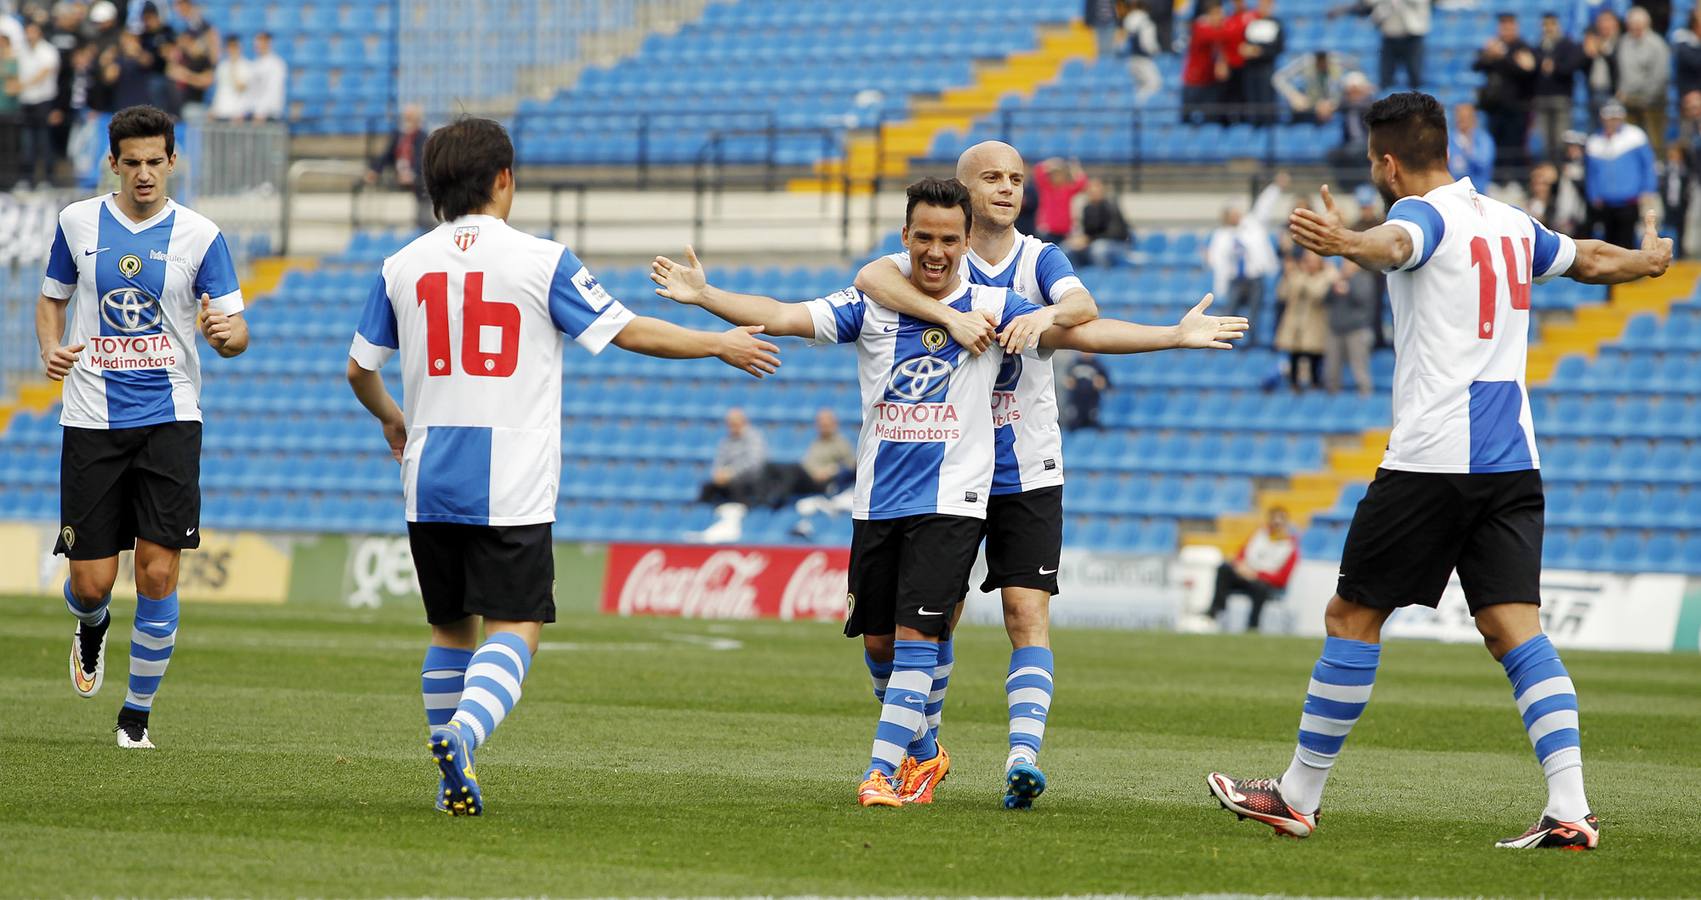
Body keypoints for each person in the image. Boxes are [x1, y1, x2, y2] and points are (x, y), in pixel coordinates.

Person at [654, 176, 1246, 809]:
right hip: (877, 498)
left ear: (966, 242)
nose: (935, 253)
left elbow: (1084, 334)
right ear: (905, 238)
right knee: (878, 644)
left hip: (953, 502)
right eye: (924, 239)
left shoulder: (993, 306)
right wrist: (705, 294)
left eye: (948, 241)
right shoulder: (872, 302)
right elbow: (780, 315)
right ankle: (926, 751)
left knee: (916, 637)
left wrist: (1172, 334)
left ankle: (881, 775)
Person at [1207, 90, 1672, 850]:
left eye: (1371, 162)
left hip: (1432, 457)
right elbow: (1585, 258)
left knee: (1352, 618)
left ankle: (1296, 795)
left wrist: (1343, 241)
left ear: (1389, 163)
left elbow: (1394, 245)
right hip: (1512, 458)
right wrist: (1648, 262)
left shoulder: (1421, 217)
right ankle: (1569, 807)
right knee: (1513, 628)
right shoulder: (1507, 220)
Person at [345, 116, 779, 816]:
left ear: (433, 187)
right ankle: (462, 735)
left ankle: (447, 773)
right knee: (516, 627)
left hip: (428, 475)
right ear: (503, 180)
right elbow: (629, 330)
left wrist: (393, 417)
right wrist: (717, 343)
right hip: (511, 476)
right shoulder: (542, 260)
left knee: (449, 629)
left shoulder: (400, 265)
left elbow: (359, 371)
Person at [848, 145, 1247, 809]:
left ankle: (1021, 758)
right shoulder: (937, 254)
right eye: (991, 179)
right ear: (961, 189)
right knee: (920, 625)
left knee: (1025, 612)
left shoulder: (1038, 258)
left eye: (1014, 180)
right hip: (948, 468)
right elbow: (869, 278)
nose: (1006, 189)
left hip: (1026, 464)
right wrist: (949, 315)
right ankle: (925, 749)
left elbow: (1083, 312)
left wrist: (1080, 320)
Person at [39, 105, 250, 750]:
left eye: (155, 162)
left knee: (158, 573)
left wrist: (225, 334)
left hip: (171, 420)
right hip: (91, 418)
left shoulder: (201, 236)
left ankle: (136, 715)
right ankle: (92, 623)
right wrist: (50, 347)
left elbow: (237, 332)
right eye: (131, 163)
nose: (144, 174)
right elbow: (54, 297)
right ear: (113, 163)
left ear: (172, 161)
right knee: (91, 581)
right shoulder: (76, 224)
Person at [1205, 507, 1299, 631]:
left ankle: (1253, 624)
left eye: (1280, 521)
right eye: (1274, 520)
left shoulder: (1290, 548)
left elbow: (1281, 580)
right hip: (1246, 577)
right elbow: (1239, 557)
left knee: (1261, 587)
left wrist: (1257, 574)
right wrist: (1240, 567)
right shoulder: (1258, 536)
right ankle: (1216, 611)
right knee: (1224, 568)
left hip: (1265, 583)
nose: (1276, 525)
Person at [1473, 13, 1537, 182]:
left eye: (1509, 26)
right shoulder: (1493, 46)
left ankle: (1516, 181)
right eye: (1503, 26)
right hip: (1495, 108)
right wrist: (1489, 54)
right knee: (1496, 146)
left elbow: (1527, 70)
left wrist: (1504, 55)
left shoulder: (1522, 47)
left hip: (1518, 108)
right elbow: (1477, 66)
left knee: (1515, 147)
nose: (1506, 30)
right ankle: (1498, 180)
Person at [1585, 101, 1656, 248]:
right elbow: (1591, 173)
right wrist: (1593, 195)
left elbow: (1648, 165)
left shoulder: (1635, 136)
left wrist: (1648, 189)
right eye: (1609, 118)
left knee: (1628, 242)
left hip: (1630, 200)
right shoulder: (1594, 141)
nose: (1612, 122)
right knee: (1609, 244)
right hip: (1605, 202)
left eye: (1615, 118)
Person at [1206, 202, 1280, 333]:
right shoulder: (1221, 234)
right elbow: (1217, 258)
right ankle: (1229, 340)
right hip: (1235, 278)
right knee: (1230, 312)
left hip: (1254, 277)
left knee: (1254, 312)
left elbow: (1260, 249)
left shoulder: (1251, 229)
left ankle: (1252, 342)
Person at [366, 103, 432, 231]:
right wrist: (375, 170)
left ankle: (423, 228)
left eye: (410, 118)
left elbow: (421, 159)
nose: (407, 121)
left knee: (424, 213)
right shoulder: (398, 135)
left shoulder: (422, 137)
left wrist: (412, 174)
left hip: (418, 181)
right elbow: (387, 155)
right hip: (398, 177)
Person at [1614, 6, 1668, 158]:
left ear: (1647, 24)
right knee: (1630, 140)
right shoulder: (1624, 42)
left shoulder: (1657, 44)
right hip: (1628, 100)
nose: (1635, 28)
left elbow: (1659, 76)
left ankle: (1658, 169)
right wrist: (1622, 91)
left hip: (1652, 101)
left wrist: (1645, 96)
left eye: (1639, 24)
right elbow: (1622, 71)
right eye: (1632, 24)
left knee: (1654, 140)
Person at [1274, 250, 1331, 389]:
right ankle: (1294, 384)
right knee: (1294, 354)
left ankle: (1315, 383)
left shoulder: (1325, 276)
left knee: (1314, 355)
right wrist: (1288, 276)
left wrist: (1304, 278)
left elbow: (1318, 294)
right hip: (1295, 322)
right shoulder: (1295, 276)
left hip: (1314, 323)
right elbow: (1282, 294)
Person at [1533, 12, 1583, 163]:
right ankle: (1548, 173)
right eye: (1545, 25)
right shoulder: (1538, 47)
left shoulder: (1567, 45)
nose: (1548, 28)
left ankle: (1560, 174)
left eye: (1551, 24)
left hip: (1561, 98)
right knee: (1544, 142)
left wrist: (1555, 67)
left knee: (1560, 140)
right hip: (1541, 99)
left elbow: (1572, 66)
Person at [1324, 259, 1378, 395]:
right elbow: (1325, 300)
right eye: (1343, 263)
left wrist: (1348, 288)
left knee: (1359, 367)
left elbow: (1363, 299)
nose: (1345, 266)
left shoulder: (1364, 278)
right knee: (1332, 368)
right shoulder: (1338, 279)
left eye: (1348, 263)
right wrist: (1334, 285)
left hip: (1356, 330)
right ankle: (1332, 395)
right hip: (1336, 328)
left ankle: (1365, 394)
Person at [17, 19, 59, 188]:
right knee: (28, 143)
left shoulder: (47, 51)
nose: (29, 35)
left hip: (44, 101)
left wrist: (22, 85)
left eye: (32, 32)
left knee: (44, 141)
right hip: (26, 101)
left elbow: (45, 72)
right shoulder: (22, 51)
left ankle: (48, 179)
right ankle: (27, 178)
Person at [696, 406, 767, 506]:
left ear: (743, 421)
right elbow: (719, 460)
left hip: (749, 478)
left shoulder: (754, 438)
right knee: (707, 487)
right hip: (728, 478)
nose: (732, 426)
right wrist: (718, 473)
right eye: (730, 423)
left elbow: (754, 462)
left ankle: (741, 513)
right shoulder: (726, 441)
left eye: (734, 423)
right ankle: (704, 515)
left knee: (736, 486)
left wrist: (731, 472)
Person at [1239, 0, 1284, 124]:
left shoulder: (1276, 24)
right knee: (1253, 101)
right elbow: (1243, 42)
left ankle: (1267, 126)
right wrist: (1247, 50)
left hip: (1266, 68)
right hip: (1251, 69)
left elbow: (1279, 47)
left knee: (1266, 100)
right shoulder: (1251, 22)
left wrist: (1261, 51)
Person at [1071, 178, 1132, 268]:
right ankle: (1077, 277)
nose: (1093, 194)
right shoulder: (1087, 209)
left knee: (1098, 249)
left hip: (1118, 243)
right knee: (1068, 248)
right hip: (1095, 242)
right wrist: (1079, 240)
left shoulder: (1111, 207)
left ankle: (1102, 278)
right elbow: (1087, 231)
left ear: (1102, 192)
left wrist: (1089, 239)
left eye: (1096, 191)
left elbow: (1116, 233)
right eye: (1091, 192)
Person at [1032, 156, 1087, 244]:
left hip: (1064, 231)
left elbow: (1082, 183)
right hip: (1049, 230)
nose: (1057, 177)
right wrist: (1051, 163)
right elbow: (1038, 171)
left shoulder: (1067, 190)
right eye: (1054, 175)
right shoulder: (1047, 188)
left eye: (1060, 174)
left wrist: (1075, 169)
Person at [1581, 8, 1620, 117]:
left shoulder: (1621, 41)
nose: (1604, 25)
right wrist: (1588, 53)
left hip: (1612, 92)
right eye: (1602, 21)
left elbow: (1618, 65)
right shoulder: (1593, 40)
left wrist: (1604, 51)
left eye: (1607, 21)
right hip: (1593, 91)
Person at [1121, 0, 1163, 102]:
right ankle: (1139, 107)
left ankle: (1137, 108)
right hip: (1143, 59)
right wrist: (1156, 51)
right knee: (1155, 84)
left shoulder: (1129, 19)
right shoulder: (1145, 22)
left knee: (1139, 86)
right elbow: (1148, 44)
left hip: (1131, 59)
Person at [1448, 103, 1496, 188]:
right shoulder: (1449, 139)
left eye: (1467, 117)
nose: (1463, 121)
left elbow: (1484, 163)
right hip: (1454, 191)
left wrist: (1468, 149)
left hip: (1479, 192)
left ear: (1474, 118)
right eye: (1460, 117)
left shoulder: (1483, 139)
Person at [1060, 351, 1109, 430]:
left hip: (1092, 402)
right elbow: (1067, 381)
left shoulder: (1098, 366)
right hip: (1076, 402)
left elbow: (1105, 383)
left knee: (1093, 426)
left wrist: (1099, 383)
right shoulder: (1074, 364)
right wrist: (1070, 383)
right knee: (1072, 426)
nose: (1087, 353)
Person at [206, 32, 246, 121]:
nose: (231, 50)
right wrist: (214, 108)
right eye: (229, 46)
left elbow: (241, 88)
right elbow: (219, 90)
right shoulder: (222, 66)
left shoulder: (246, 66)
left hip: (236, 115)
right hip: (220, 113)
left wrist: (233, 67)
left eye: (234, 46)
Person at [245, 29, 282, 121]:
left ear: (269, 43)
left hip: (269, 114)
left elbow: (273, 91)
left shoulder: (276, 64)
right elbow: (251, 91)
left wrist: (262, 112)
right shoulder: (255, 64)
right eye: (257, 41)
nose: (258, 44)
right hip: (254, 113)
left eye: (262, 41)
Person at [1662, 143, 1689, 257]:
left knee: (1681, 228)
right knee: (1668, 228)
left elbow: (1686, 184)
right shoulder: (1666, 168)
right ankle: (1669, 252)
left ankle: (1680, 252)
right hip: (1668, 204)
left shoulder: (1684, 169)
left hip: (1680, 204)